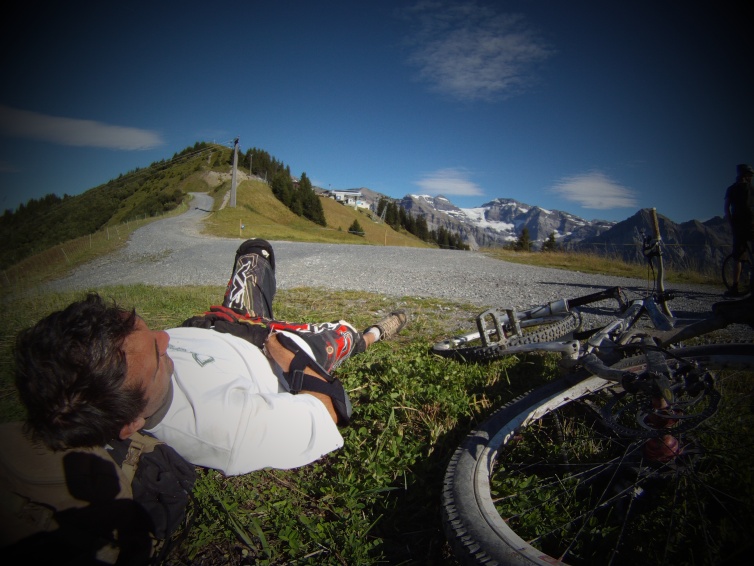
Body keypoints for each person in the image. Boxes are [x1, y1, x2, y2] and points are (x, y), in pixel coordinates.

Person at [13, 239, 407, 476]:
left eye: (148, 330)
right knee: (340, 334)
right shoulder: (228, 432)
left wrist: (206, 327)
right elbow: (328, 411)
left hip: (228, 326)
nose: (165, 338)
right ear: (132, 422)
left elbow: (161, 344)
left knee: (256, 250)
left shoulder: (118, 368)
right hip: (270, 348)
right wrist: (283, 351)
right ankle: (370, 336)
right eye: (157, 351)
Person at [723, 163, 754, 297]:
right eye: (750, 175)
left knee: (738, 258)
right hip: (752, 226)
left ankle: (734, 287)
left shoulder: (732, 189)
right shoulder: (752, 189)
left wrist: (731, 225)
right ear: (746, 176)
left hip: (739, 227)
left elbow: (726, 209)